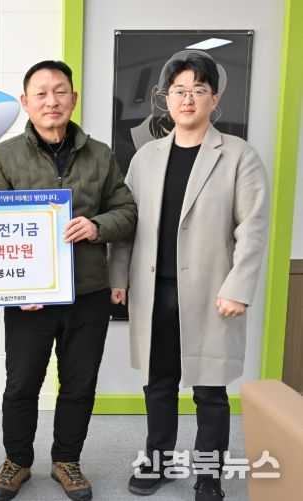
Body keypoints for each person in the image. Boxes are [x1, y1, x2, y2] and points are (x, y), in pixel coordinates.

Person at [109, 52, 270, 501]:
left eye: (198, 90)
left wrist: (238, 288)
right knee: (158, 384)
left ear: (214, 99)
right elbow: (127, 223)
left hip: (212, 293)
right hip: (154, 291)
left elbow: (253, 229)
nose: (188, 99)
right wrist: (119, 278)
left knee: (210, 392)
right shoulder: (146, 157)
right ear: (166, 98)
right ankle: (158, 461)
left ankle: (208, 475)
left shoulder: (238, 155)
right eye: (179, 90)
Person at [0, 60, 137, 501]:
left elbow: (127, 212)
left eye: (60, 91)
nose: (52, 101)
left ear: (74, 98)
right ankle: (17, 460)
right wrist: (12, 289)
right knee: (21, 384)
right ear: (25, 102)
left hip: (88, 292)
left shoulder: (101, 154)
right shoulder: (6, 155)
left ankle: (67, 460)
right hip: (28, 296)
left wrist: (96, 226)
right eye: (41, 93)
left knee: (79, 384)